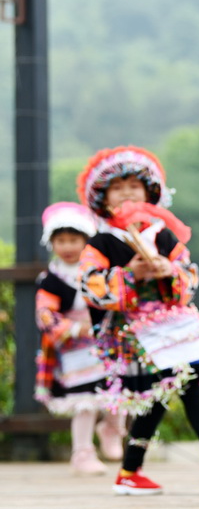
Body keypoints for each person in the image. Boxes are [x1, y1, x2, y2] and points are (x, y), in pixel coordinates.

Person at [77, 146, 199, 495]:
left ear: (150, 193)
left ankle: (139, 469)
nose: (128, 192)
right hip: (130, 331)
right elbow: (91, 287)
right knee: (171, 385)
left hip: (172, 324)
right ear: (103, 198)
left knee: (173, 384)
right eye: (117, 187)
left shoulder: (164, 235)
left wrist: (170, 271)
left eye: (134, 185)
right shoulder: (101, 242)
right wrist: (129, 275)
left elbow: (190, 276)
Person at [34, 202, 127, 475]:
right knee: (85, 402)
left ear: (86, 241)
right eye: (60, 240)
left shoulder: (98, 271)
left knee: (118, 390)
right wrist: (76, 329)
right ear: (51, 243)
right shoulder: (51, 279)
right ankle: (82, 453)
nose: (67, 246)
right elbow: (45, 315)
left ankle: (113, 429)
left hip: (107, 341)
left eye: (74, 240)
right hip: (73, 348)